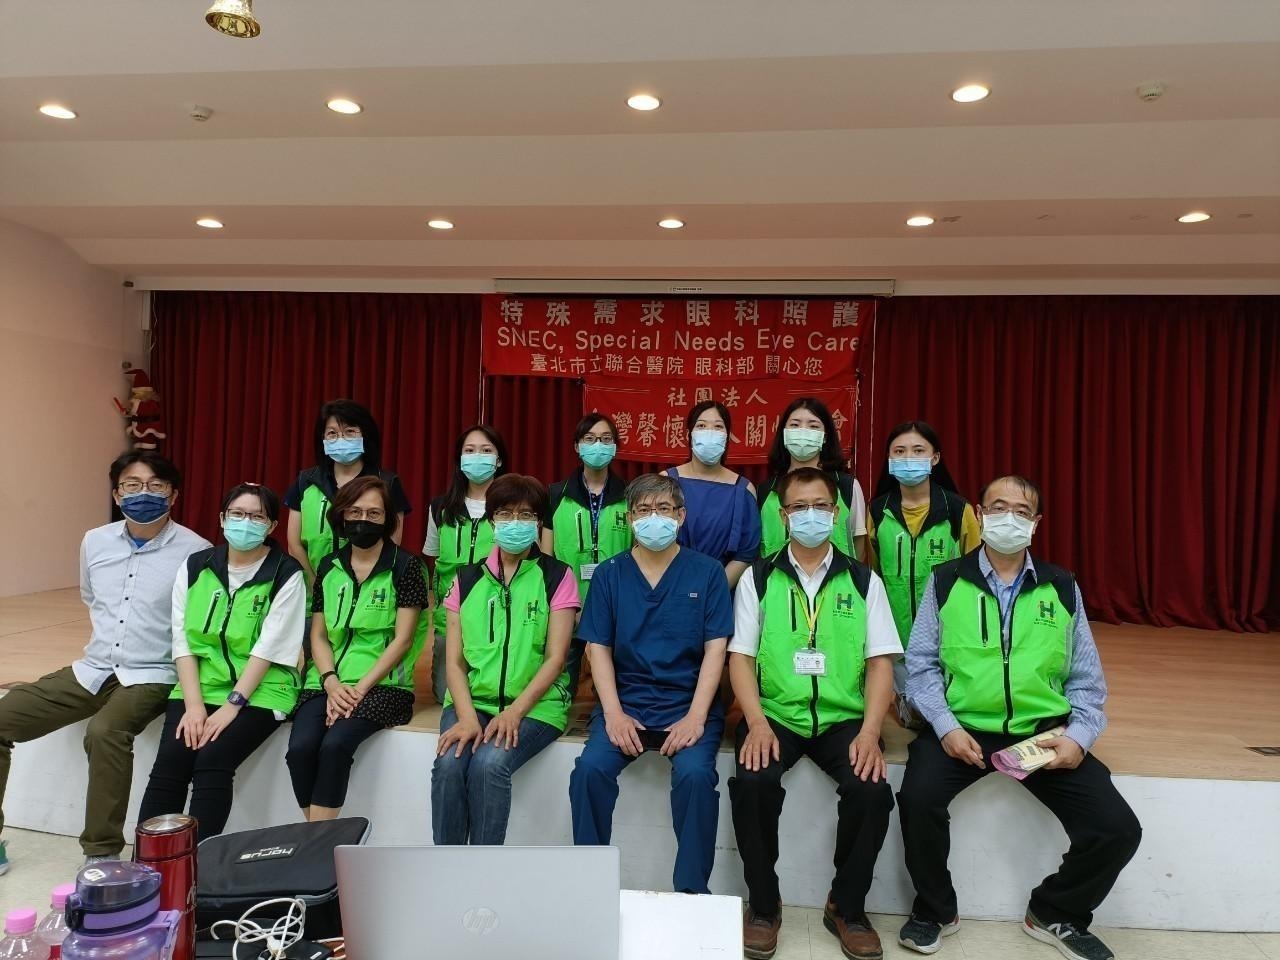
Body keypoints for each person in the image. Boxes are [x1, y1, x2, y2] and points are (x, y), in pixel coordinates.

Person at [897, 476, 1142, 960]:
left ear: (1036, 523)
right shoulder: (945, 581)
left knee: (1117, 828)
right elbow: (920, 666)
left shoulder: (1061, 586)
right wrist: (945, 727)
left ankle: (1056, 911)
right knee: (917, 799)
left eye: (1021, 511)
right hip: (962, 729)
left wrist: (1078, 737)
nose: (1008, 518)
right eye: (997, 507)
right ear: (979, 515)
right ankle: (934, 910)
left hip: (1040, 735)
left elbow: (1086, 679)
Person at [0, 451, 209, 870]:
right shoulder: (94, 541)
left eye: (155, 485)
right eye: (132, 485)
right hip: (93, 667)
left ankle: (101, 853)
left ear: (173, 495)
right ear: (116, 494)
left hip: (153, 672)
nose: (143, 493)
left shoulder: (197, 551)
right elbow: (91, 597)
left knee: (105, 731)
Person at [728, 468, 901, 960]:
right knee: (753, 783)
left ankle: (847, 907)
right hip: (776, 714)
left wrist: (870, 731)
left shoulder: (864, 581)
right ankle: (764, 905)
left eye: (821, 505)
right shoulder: (758, 578)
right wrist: (756, 722)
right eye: (799, 507)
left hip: (844, 718)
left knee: (871, 790)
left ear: (836, 512)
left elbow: (880, 662)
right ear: (783, 516)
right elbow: (740, 657)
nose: (811, 515)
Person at [569, 473, 733, 895]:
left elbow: (716, 649)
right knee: (589, 771)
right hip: (626, 703)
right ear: (629, 518)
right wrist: (613, 714)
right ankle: (590, 885)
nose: (653, 518)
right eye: (643, 510)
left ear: (681, 516)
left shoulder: (707, 573)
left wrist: (696, 717)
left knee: (696, 777)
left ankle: (691, 893)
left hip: (687, 703)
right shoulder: (610, 575)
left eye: (663, 509)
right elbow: (597, 648)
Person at [137, 483, 304, 842]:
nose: (246, 522)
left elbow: (269, 647)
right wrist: (194, 705)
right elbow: (182, 639)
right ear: (222, 519)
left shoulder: (286, 573)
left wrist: (232, 706)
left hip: (264, 689)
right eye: (238, 514)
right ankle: (149, 862)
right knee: (171, 762)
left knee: (212, 761)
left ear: (272, 526)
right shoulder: (195, 566)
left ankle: (198, 863)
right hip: (200, 682)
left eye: (257, 516)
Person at [432, 475, 579, 844]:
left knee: (489, 764)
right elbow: (454, 663)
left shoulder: (557, 576)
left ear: (539, 522)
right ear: (492, 520)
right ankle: (445, 866)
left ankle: (486, 868)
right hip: (471, 700)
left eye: (526, 515)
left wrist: (514, 712)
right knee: (448, 765)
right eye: (506, 513)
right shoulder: (466, 579)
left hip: (537, 707)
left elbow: (556, 658)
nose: (516, 522)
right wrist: (467, 717)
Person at [286, 476, 427, 821]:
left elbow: (403, 639)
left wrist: (358, 691)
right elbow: (319, 635)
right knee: (300, 749)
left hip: (383, 686)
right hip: (326, 681)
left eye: (374, 513)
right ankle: (316, 833)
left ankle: (317, 839)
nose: (364, 519)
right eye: (355, 511)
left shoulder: (407, 567)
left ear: (388, 519)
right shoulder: (328, 566)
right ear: (342, 515)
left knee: (335, 745)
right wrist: (332, 682)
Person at [866, 420, 981, 717]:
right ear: (889, 459)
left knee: (945, 708)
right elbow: (871, 572)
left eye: (918, 450)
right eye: (899, 451)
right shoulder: (878, 511)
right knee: (912, 713)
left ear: (935, 458)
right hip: (895, 633)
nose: (908, 458)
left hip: (947, 631)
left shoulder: (958, 510)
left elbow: (977, 572)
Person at [540, 413, 632, 699]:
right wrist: (559, 602)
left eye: (605, 439)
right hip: (567, 601)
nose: (598, 445)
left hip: (616, 600)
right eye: (590, 439)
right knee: (559, 685)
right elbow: (546, 556)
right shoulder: (556, 493)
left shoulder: (630, 495)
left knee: (612, 687)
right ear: (577, 447)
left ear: (615, 446)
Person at [284, 398, 411, 594]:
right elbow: (294, 544)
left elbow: (392, 543)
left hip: (366, 594)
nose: (341, 439)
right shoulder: (306, 481)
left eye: (350, 431)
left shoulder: (387, 483)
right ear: (323, 439)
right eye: (332, 433)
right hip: (312, 593)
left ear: (365, 435)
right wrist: (317, 586)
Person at [425, 425, 509, 702]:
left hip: (496, 619)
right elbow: (433, 558)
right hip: (449, 620)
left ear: (499, 459)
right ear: (460, 459)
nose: (477, 457)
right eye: (469, 451)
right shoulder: (439, 508)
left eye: (486, 450)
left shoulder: (512, 509)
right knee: (445, 697)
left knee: (492, 695)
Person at [757, 397, 868, 563]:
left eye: (813, 426)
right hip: (776, 578)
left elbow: (858, 541)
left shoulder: (847, 485)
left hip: (838, 577)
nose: (803, 431)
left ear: (825, 436)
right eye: (795, 425)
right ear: (784, 434)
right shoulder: (766, 490)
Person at [666, 401, 761, 589]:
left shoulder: (743, 489)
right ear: (689, 434)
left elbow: (746, 554)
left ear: (727, 436)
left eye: (718, 427)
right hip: (670, 587)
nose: (709, 432)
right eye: (701, 426)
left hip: (720, 589)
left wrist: (712, 591)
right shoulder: (667, 481)